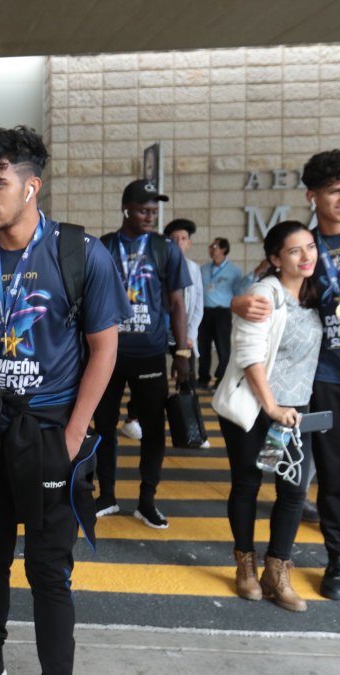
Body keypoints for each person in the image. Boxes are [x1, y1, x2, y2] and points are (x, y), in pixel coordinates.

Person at [0, 125, 128, 675]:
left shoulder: (80, 252)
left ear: (31, 186)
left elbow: (104, 349)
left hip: (47, 429)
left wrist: (71, 435)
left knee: (48, 569)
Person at [232, 149, 340, 601]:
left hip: (308, 387)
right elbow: (260, 295)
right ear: (312, 196)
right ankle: (335, 563)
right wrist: (239, 302)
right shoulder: (302, 249)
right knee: (327, 476)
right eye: (334, 192)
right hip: (321, 382)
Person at [215, 220, 319, 612]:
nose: (306, 256)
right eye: (295, 250)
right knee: (247, 483)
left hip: (298, 410)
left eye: (309, 247)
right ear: (275, 258)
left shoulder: (316, 294)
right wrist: (272, 406)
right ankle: (245, 564)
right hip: (258, 408)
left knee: (293, 491)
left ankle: (278, 571)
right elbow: (249, 355)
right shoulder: (264, 294)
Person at [91, 179, 192, 529]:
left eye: (154, 210)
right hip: (108, 354)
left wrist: (182, 352)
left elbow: (178, 303)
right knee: (103, 425)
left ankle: (147, 500)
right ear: (126, 209)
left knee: (152, 428)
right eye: (143, 209)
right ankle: (106, 495)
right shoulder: (103, 246)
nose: (150, 215)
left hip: (150, 354)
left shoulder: (166, 248)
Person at [165, 218, 209, 448]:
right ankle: (136, 418)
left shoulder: (193, 268)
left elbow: (198, 304)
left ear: (189, 243)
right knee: (151, 380)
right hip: (161, 333)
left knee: (187, 380)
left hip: (185, 336)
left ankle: (194, 430)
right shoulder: (159, 264)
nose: (178, 243)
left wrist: (189, 334)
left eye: (183, 239)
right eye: (173, 239)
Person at [200, 236, 245, 388]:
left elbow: (239, 291)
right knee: (203, 347)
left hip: (222, 313)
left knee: (223, 348)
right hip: (204, 312)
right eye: (211, 246)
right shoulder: (204, 269)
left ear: (224, 250)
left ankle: (221, 378)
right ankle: (203, 377)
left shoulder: (234, 271)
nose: (211, 249)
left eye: (215, 246)